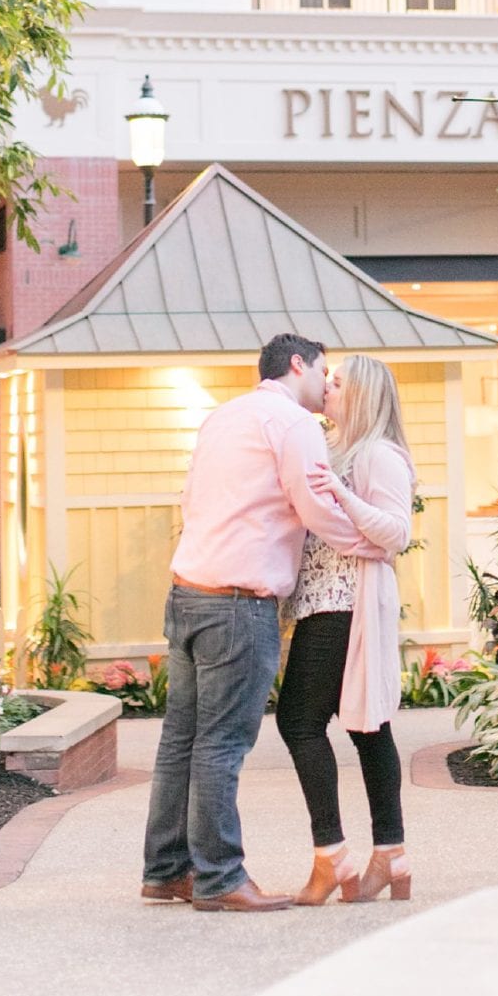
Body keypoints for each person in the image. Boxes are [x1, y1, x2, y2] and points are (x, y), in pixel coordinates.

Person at [140, 333, 382, 914]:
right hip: (238, 603)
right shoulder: (294, 425)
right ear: (296, 364)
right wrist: (368, 543)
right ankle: (221, 878)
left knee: (180, 739)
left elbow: (191, 499)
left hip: (189, 591)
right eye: (323, 372)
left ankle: (167, 870)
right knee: (222, 743)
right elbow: (314, 505)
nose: (328, 385)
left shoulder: (223, 417)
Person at [276, 353, 415, 906]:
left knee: (299, 722)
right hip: (325, 601)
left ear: (362, 395)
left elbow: (396, 533)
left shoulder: (379, 454)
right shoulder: (337, 447)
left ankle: (333, 854)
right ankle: (391, 853)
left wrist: (341, 491)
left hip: (343, 604)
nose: (327, 388)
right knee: (366, 726)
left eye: (337, 383)